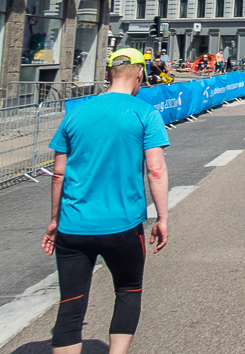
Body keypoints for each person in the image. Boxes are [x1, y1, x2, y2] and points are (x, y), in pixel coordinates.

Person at [41, 48, 169, 354]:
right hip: (123, 226)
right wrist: (162, 218)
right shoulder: (144, 113)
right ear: (140, 73)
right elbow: (155, 168)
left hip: (74, 226)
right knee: (128, 291)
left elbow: (58, 174)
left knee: (71, 305)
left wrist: (55, 220)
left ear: (108, 74)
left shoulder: (77, 113)